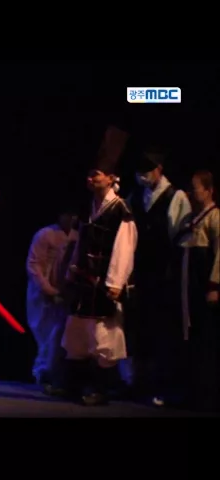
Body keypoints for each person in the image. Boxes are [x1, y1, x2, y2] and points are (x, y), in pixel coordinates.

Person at [60, 125, 138, 406]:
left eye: (96, 174)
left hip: (103, 283)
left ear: (111, 178)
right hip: (84, 281)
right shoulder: (89, 207)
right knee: (78, 332)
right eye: (90, 174)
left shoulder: (120, 210)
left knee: (103, 336)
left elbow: (124, 248)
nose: (90, 178)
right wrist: (70, 268)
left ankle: (101, 389)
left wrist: (115, 282)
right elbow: (78, 241)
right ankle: (74, 385)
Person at [125, 145, 192, 406]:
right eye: (139, 171)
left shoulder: (176, 197)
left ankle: (163, 386)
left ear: (159, 170)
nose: (143, 176)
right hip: (140, 272)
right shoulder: (136, 196)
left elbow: (180, 238)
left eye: (147, 170)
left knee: (163, 330)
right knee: (139, 329)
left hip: (165, 274)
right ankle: (138, 383)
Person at [178, 169, 219, 412]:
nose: (192, 193)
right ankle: (191, 391)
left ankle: (207, 396)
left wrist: (214, 286)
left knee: (207, 339)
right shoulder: (190, 218)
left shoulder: (215, 217)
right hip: (188, 287)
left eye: (196, 188)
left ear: (209, 190)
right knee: (191, 338)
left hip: (203, 285)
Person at [26, 208, 78, 389]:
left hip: (63, 293)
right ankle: (42, 373)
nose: (71, 218)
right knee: (45, 335)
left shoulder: (76, 236)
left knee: (58, 337)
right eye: (68, 214)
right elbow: (34, 265)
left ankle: (51, 374)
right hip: (42, 294)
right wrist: (48, 290)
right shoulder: (45, 234)